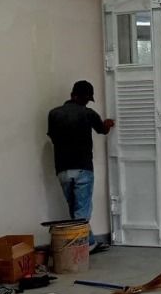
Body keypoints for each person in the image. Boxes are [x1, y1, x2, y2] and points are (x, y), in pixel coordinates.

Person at [47, 80, 115, 253]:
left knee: (75, 210)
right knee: (82, 211)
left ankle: (90, 241)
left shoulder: (54, 114)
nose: (86, 102)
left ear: (72, 95)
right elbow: (102, 130)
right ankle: (82, 247)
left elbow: (53, 138)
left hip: (62, 169)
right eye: (86, 99)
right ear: (81, 97)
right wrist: (107, 123)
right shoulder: (87, 113)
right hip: (83, 168)